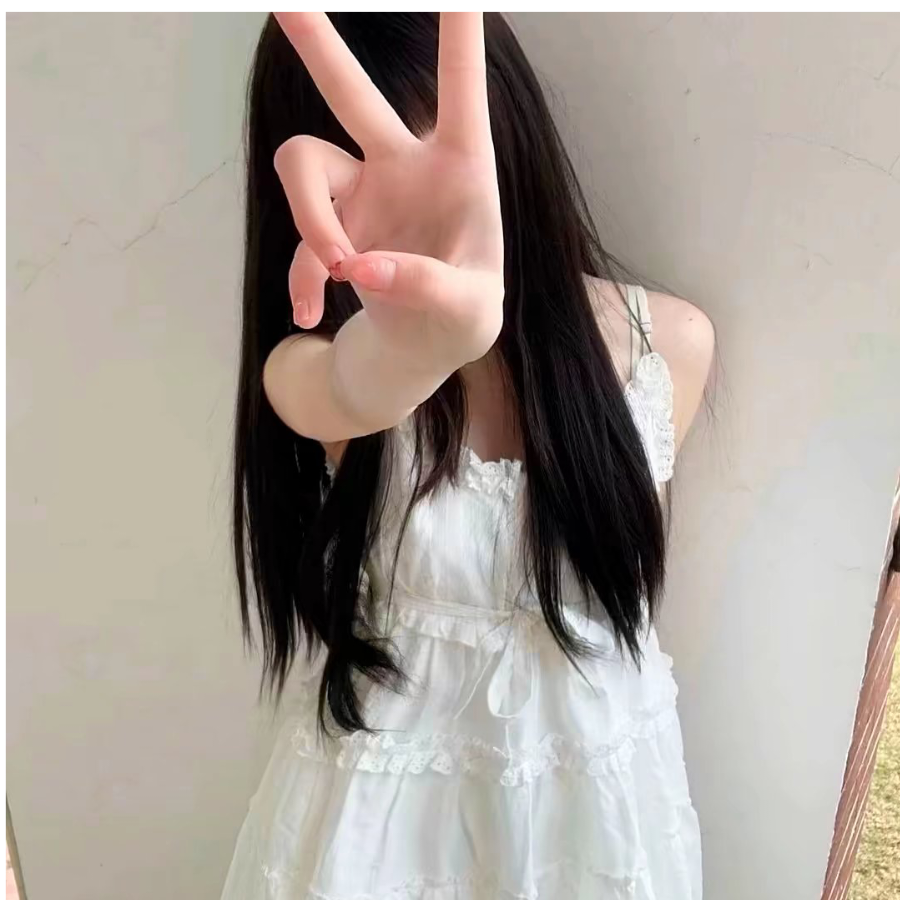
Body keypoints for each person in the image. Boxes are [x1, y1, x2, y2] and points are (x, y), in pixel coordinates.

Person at [225, 11, 714, 900]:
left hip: (599, 839)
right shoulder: (309, 374)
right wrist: (411, 350)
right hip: (373, 850)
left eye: (425, 125)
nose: (403, 182)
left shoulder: (667, 347)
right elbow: (347, 387)